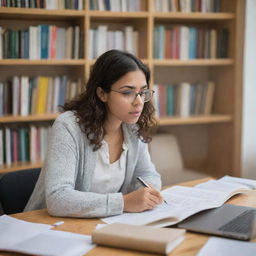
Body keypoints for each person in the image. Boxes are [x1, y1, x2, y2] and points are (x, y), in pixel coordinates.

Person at [24, 49, 164, 217]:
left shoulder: (131, 126)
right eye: (128, 92)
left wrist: (147, 195)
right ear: (102, 93)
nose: (139, 102)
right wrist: (124, 202)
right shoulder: (69, 126)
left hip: (104, 223)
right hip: (47, 227)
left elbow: (148, 174)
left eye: (143, 92)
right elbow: (58, 198)